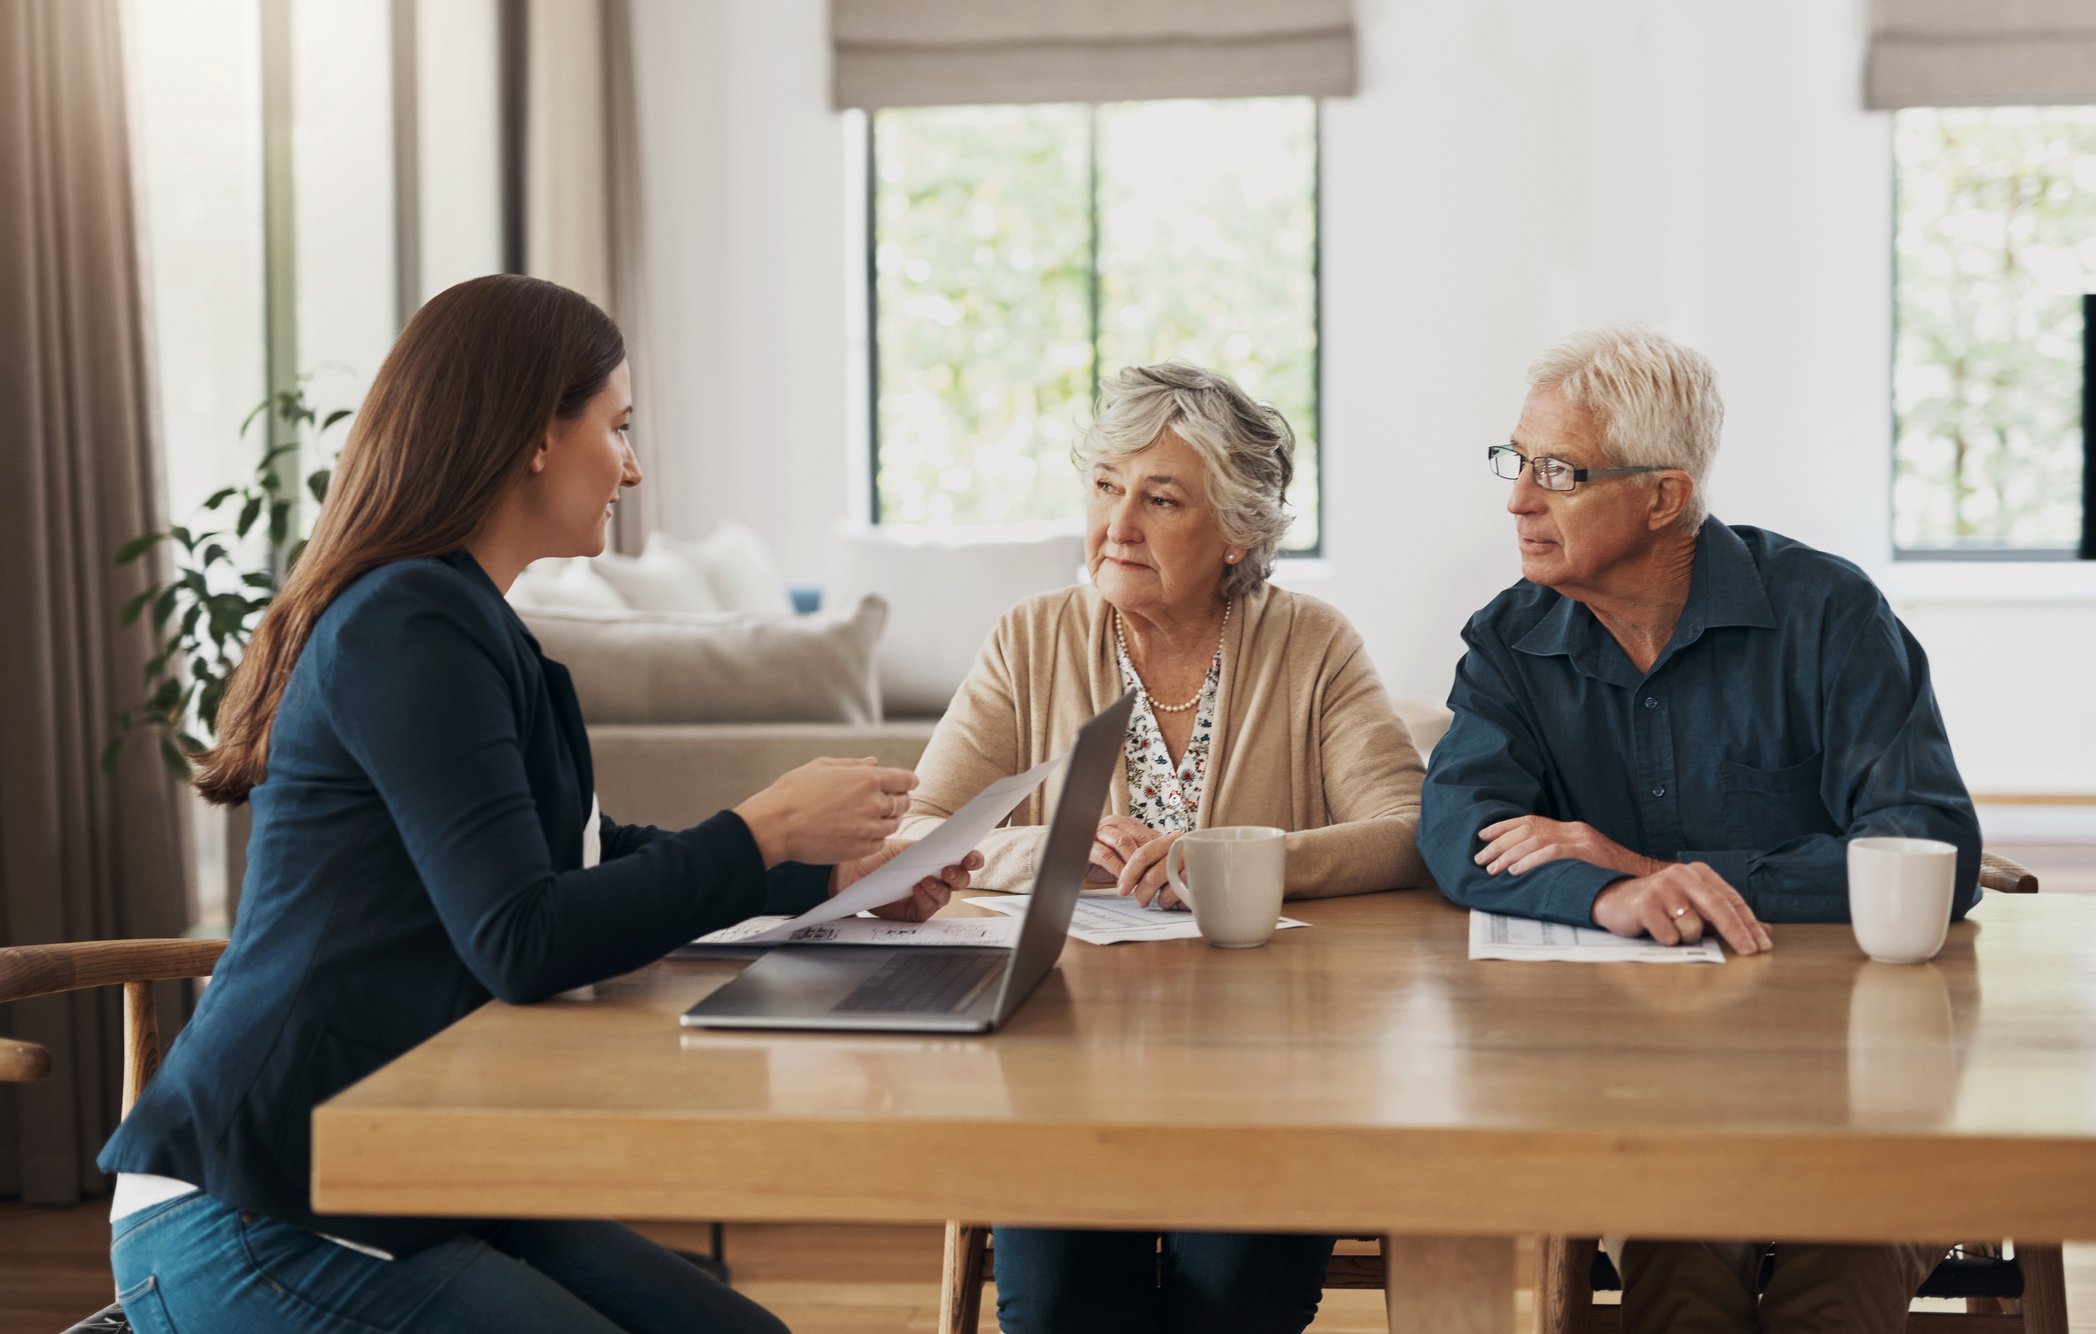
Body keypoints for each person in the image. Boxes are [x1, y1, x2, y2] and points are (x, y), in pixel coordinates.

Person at [98, 275, 976, 1334]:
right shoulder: (408, 622)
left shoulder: (462, 622)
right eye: (617, 425)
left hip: (404, 1172)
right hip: (260, 1198)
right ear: (533, 437)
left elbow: (583, 859)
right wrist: (763, 828)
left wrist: (829, 877)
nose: (635, 465)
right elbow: (520, 934)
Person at [1419, 325, 1978, 1333]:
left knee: (1833, 1289)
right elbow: (1462, 829)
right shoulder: (1510, 640)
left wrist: (1650, 868)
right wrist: (1604, 893)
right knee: (1679, 1284)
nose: (1517, 497)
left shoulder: (1828, 613)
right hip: (1634, 1080)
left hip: (1852, 1071)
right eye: (1516, 461)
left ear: (1662, 497)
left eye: (1557, 470)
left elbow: (1928, 841)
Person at [903, 362, 1427, 1333]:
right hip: (1060, 1065)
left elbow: (1407, 833)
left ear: (1236, 534)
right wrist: (1056, 852)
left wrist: (1225, 858)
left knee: (1231, 1300)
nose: (1117, 524)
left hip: (1270, 1070)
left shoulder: (1312, 644)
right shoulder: (1028, 639)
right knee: (1059, 1309)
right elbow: (921, 836)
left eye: (1160, 498)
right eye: (1106, 486)